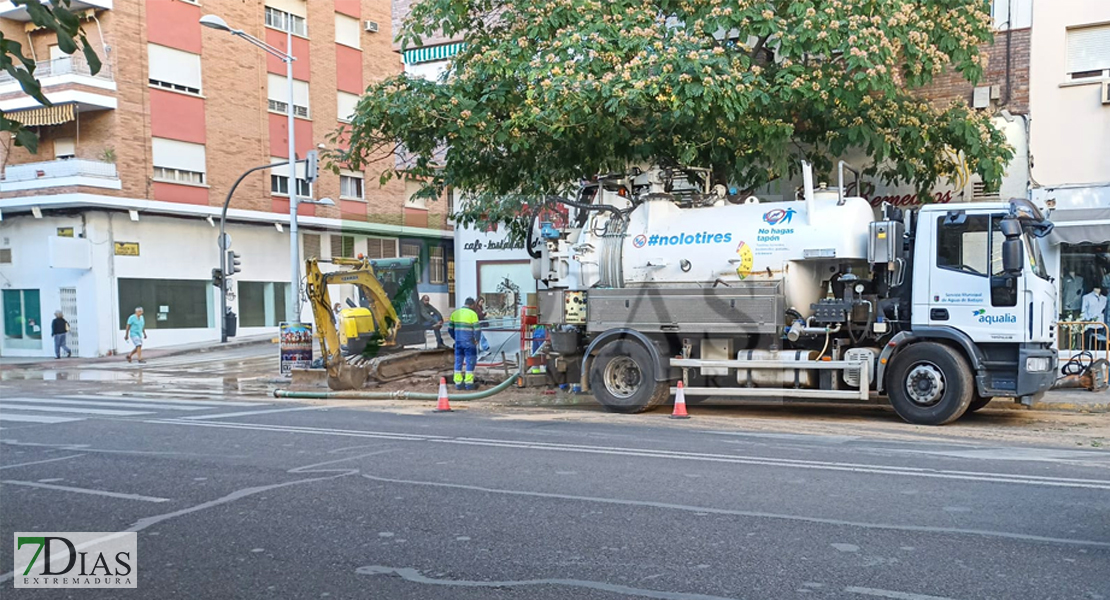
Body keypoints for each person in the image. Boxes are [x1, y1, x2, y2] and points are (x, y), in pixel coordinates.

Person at [448, 298, 481, 390]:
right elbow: (477, 330)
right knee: (470, 362)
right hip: (469, 343)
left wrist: (456, 338)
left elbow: (450, 329)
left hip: (458, 343)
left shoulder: (455, 313)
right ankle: (469, 384)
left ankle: (458, 383)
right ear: (472, 305)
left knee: (458, 362)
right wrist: (477, 339)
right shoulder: (472, 314)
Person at [1081, 286, 1107, 351]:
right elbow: (1083, 311)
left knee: (1100, 345)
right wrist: (1086, 321)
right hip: (1089, 325)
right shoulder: (1086, 297)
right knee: (1089, 345)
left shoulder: (1105, 299)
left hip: (1101, 324)